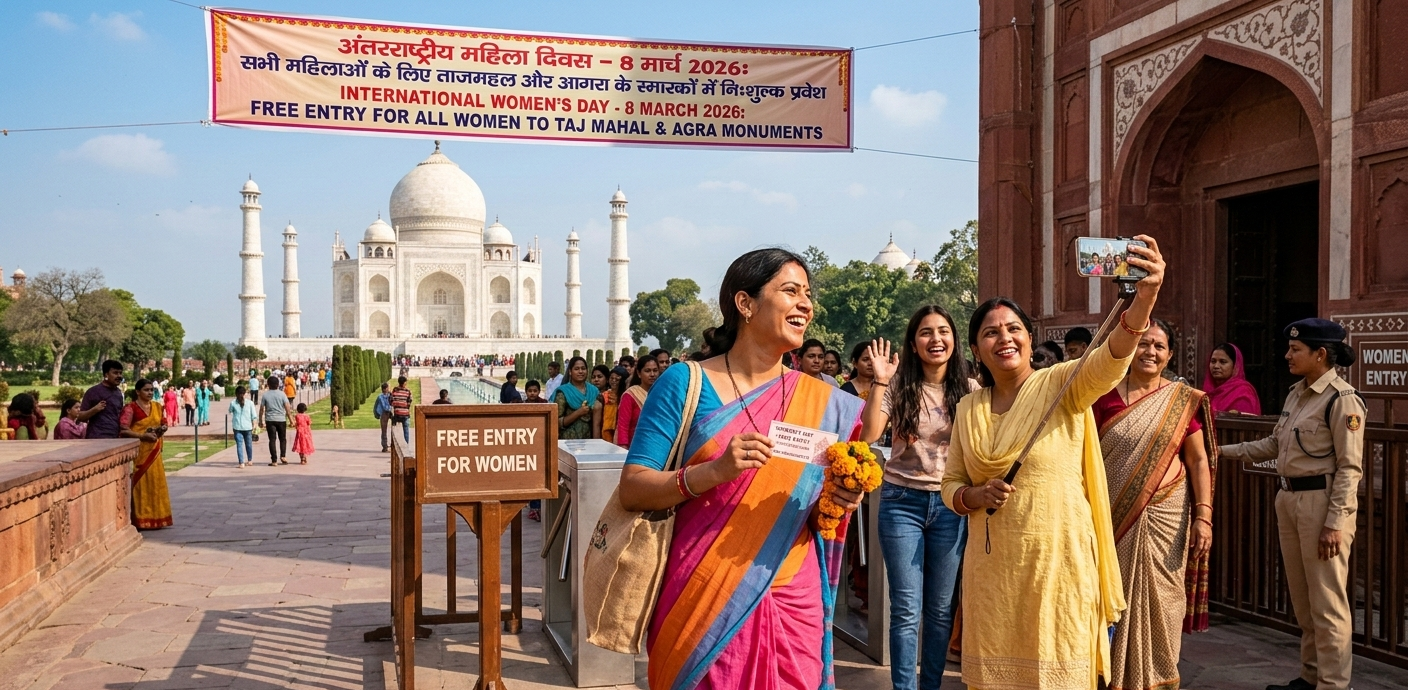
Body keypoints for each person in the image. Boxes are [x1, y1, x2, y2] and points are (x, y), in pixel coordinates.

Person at [617, 248, 865, 689]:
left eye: (808, 294)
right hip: (704, 589)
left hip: (793, 594)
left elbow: (808, 505)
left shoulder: (821, 402)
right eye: (790, 291)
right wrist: (712, 472)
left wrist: (839, 499)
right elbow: (633, 489)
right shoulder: (685, 382)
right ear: (745, 304)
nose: (806, 304)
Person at [941, 234, 1166, 690]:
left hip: (1057, 564)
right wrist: (973, 495)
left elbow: (1113, 356)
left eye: (1013, 329)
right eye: (990, 332)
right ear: (976, 349)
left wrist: (1145, 298)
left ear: (1029, 338)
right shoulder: (969, 408)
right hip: (993, 571)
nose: (1003, 338)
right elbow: (950, 485)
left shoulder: (1062, 384)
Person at [1219, 319, 1365, 690]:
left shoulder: (1341, 399)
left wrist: (1335, 523)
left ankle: (1333, 684)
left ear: (1320, 354)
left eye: (1295, 350)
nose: (1287, 355)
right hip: (1289, 499)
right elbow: (1274, 444)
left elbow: (1350, 468)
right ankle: (1311, 674)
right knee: (1303, 600)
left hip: (1322, 504)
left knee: (1328, 603)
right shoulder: (1297, 393)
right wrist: (1218, 452)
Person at [1092, 318, 1217, 690]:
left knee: (1163, 599)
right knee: (1110, 598)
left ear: (1170, 354)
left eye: (1159, 346)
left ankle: (1159, 678)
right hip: (1112, 517)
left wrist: (1204, 516)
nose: (1150, 352)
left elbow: (1197, 461)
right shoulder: (1103, 395)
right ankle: (1111, 678)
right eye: (1143, 344)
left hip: (1169, 517)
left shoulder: (1181, 401)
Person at [860, 306, 977, 690]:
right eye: (926, 333)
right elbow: (868, 434)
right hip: (900, 504)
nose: (936, 339)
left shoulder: (971, 390)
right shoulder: (899, 385)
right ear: (914, 343)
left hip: (950, 505)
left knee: (941, 611)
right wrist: (880, 381)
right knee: (907, 610)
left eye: (943, 331)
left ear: (954, 340)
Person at [119, 379, 172, 529]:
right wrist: (143, 436)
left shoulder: (157, 406)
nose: (149, 393)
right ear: (137, 392)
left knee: (157, 482)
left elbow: (163, 422)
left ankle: (159, 517)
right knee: (142, 484)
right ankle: (142, 519)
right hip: (140, 452)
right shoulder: (131, 408)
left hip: (154, 451)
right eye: (146, 390)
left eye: (151, 390)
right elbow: (123, 429)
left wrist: (162, 428)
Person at [1203, 343, 1263, 416]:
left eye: (1222, 362)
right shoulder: (1208, 392)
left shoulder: (1243, 392)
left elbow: (1243, 424)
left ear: (1235, 366)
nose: (1216, 366)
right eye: (1213, 361)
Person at [615, 356, 660, 448]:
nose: (652, 374)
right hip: (635, 447)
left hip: (658, 446)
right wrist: (623, 449)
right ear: (639, 373)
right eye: (647, 371)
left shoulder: (663, 394)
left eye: (655, 370)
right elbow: (623, 426)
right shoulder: (631, 395)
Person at [553, 356, 598, 441]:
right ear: (570, 372)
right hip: (568, 443)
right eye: (576, 369)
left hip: (590, 443)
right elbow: (555, 422)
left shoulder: (594, 391)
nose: (580, 371)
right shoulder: (563, 393)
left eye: (583, 368)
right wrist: (578, 413)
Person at [79, 360, 125, 439]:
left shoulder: (118, 393)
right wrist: (95, 410)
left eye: (120, 373)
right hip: (96, 437)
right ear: (106, 374)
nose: (119, 376)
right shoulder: (93, 392)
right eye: (115, 373)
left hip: (115, 437)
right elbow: (80, 417)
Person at [259, 375, 291, 466]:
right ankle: (283, 456)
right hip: (281, 419)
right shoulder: (282, 394)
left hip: (270, 420)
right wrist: (291, 420)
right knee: (283, 439)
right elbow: (287, 409)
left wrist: (260, 421)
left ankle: (274, 460)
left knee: (272, 440)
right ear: (278, 384)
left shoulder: (265, 395)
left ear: (268, 384)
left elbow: (261, 409)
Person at [228, 385, 258, 468]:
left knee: (239, 445)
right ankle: (250, 460)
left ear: (236, 394)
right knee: (248, 444)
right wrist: (254, 424)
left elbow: (230, 411)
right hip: (247, 427)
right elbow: (254, 416)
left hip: (237, 426)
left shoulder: (233, 403)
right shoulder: (250, 403)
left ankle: (241, 462)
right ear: (245, 393)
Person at [597, 366, 628, 442]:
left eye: (617, 379)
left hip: (620, 430)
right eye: (611, 378)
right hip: (605, 430)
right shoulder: (603, 395)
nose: (614, 381)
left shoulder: (626, 396)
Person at [588, 364, 611, 438]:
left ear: (607, 379)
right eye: (593, 377)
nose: (596, 379)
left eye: (600, 376)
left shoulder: (611, 396)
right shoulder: (588, 395)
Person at [390, 376, 413, 445]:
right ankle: (406, 445)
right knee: (406, 430)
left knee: (394, 430)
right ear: (404, 383)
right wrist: (405, 407)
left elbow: (391, 401)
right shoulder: (407, 391)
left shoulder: (395, 390)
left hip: (397, 414)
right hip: (405, 414)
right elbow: (409, 401)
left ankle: (393, 444)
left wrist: (396, 406)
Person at [373, 383, 392, 452]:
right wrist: (390, 408)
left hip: (390, 412)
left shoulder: (390, 395)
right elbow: (384, 407)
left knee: (394, 427)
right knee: (384, 430)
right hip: (384, 413)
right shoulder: (380, 397)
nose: (389, 389)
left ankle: (392, 444)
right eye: (388, 388)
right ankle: (385, 446)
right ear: (385, 389)